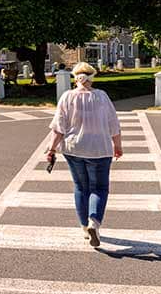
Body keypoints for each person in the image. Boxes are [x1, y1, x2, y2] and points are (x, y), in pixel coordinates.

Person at [46, 62, 122, 248]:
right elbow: (113, 123)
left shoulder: (67, 97)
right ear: (92, 78)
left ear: (75, 78)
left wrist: (52, 149)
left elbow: (59, 127)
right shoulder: (102, 96)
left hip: (74, 148)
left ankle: (84, 227)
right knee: (99, 188)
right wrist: (117, 145)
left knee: (81, 187)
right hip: (100, 148)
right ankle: (93, 223)